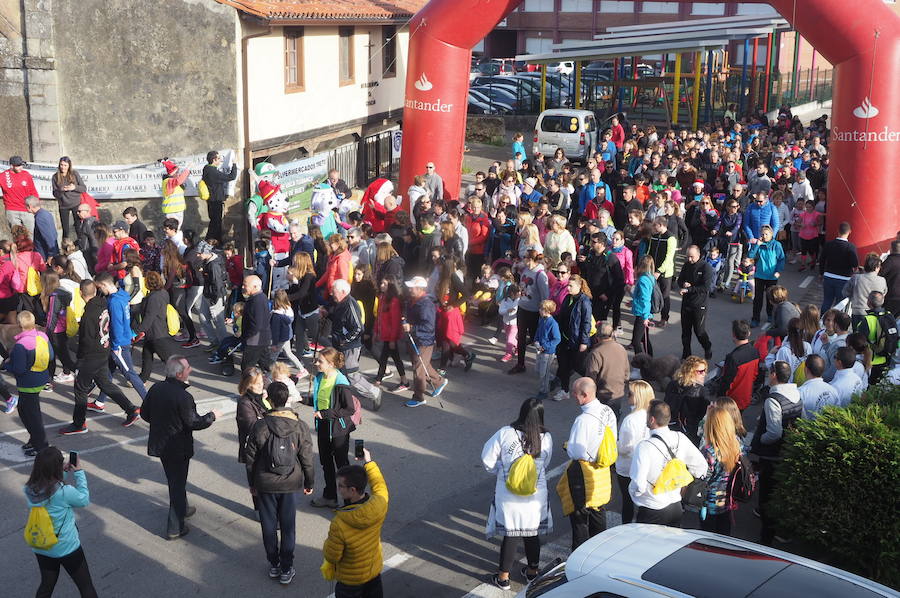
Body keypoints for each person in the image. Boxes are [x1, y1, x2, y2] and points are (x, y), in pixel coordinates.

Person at [140, 355, 220, 540]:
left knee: (174, 480)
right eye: (187, 368)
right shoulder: (183, 396)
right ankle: (175, 526)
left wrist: (162, 423)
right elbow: (194, 422)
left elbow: (145, 413)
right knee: (177, 484)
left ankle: (182, 507)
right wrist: (212, 416)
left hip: (161, 445)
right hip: (177, 447)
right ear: (179, 374)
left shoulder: (156, 388)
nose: (190, 370)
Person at [244, 381, 315, 585]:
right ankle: (287, 567)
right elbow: (307, 458)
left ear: (269, 400)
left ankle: (274, 563)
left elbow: (251, 459)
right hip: (291, 482)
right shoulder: (299, 425)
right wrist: (309, 481)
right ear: (287, 399)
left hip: (265, 483)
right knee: (288, 526)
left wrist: (252, 483)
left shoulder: (260, 425)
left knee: (268, 525)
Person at [481, 398, 553, 590]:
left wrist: (502, 470)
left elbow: (487, 460)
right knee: (532, 533)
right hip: (535, 495)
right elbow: (545, 463)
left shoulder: (505, 433)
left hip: (509, 494)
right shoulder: (546, 438)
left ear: (521, 413)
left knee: (511, 534)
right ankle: (532, 572)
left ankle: (503, 577)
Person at [59, 280, 140, 435]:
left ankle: (79, 424)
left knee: (81, 389)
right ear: (95, 292)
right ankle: (131, 409)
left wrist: (79, 362)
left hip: (91, 356)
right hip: (103, 350)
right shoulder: (102, 304)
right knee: (105, 383)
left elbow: (85, 342)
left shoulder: (88, 315)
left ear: (81, 293)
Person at [24, 447, 98, 598]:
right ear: (56, 467)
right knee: (85, 586)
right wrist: (79, 472)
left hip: (42, 545)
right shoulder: (64, 492)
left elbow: (48, 489)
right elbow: (83, 499)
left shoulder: (29, 489)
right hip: (66, 547)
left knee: (46, 585)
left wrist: (61, 473)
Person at [556, 377, 617, 550]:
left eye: (575, 393)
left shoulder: (583, 420)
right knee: (598, 510)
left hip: (584, 472)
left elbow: (576, 452)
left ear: (584, 394)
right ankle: (598, 551)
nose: (574, 396)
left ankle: (579, 556)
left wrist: (568, 445)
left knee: (579, 517)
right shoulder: (607, 410)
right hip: (602, 469)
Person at [321, 448, 389, 598]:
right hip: (373, 573)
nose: (338, 490)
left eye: (340, 486)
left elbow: (332, 556)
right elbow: (380, 486)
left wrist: (327, 544)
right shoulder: (379, 504)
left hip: (350, 582)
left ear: (352, 490)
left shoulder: (340, 523)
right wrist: (369, 462)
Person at [749, 361, 803, 545]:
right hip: (787, 451)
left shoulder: (773, 400)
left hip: (771, 455)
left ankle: (766, 539)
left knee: (766, 496)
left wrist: (759, 440)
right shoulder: (797, 394)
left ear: (773, 375)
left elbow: (774, 432)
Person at [629, 400, 706, 527]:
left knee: (645, 546)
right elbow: (701, 466)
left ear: (652, 419)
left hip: (652, 508)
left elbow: (639, 485)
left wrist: (635, 495)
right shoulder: (680, 437)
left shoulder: (644, 446)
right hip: (675, 507)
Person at [323, 278, 382, 410]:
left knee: (351, 375)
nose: (332, 294)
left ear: (343, 292)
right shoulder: (340, 303)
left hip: (349, 347)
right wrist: (328, 315)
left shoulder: (350, 304)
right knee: (338, 372)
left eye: (334, 292)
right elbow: (341, 322)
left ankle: (374, 392)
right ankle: (339, 399)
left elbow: (358, 328)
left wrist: (345, 340)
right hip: (340, 345)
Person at [91, 273, 147, 410]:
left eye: (100, 288)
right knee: (108, 373)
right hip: (124, 338)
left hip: (119, 344)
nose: (100, 291)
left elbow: (116, 325)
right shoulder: (122, 295)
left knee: (130, 374)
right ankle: (99, 402)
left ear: (104, 285)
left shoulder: (114, 302)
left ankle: (149, 402)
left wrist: (115, 346)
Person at [5, 311, 52, 456]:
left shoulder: (21, 345)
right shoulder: (42, 336)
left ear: (19, 325)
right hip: (40, 378)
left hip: (28, 384)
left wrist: (7, 365)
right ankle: (35, 440)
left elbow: (18, 369)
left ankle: (41, 446)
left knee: (30, 415)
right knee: (28, 411)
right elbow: (51, 355)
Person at [694, 404, 743, 535]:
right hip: (729, 499)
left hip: (710, 504)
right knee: (724, 534)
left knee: (708, 537)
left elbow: (703, 478)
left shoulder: (709, 451)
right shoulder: (737, 444)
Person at [403, 276, 447, 407]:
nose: (410, 289)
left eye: (413, 287)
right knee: (423, 365)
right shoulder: (413, 300)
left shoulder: (426, 304)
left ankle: (418, 397)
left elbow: (428, 326)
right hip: (415, 338)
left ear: (420, 289)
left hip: (424, 341)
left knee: (418, 369)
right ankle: (438, 381)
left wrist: (411, 327)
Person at [615, 380, 652, 525]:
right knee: (644, 500)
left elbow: (625, 447)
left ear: (637, 397)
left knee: (627, 500)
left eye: (629, 393)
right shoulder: (651, 415)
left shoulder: (630, 419)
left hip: (627, 466)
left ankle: (626, 526)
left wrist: (614, 444)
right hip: (646, 464)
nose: (626, 395)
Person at [236, 367, 270, 515]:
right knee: (256, 480)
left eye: (261, 382)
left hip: (267, 445)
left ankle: (267, 507)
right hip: (253, 449)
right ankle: (259, 510)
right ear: (249, 385)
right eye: (257, 384)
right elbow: (252, 427)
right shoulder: (244, 403)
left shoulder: (263, 396)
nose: (261, 385)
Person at [509, 250, 549, 374]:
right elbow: (522, 285)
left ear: (530, 259)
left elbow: (545, 296)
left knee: (535, 338)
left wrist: (543, 314)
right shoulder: (525, 270)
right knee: (520, 337)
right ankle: (520, 364)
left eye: (524, 258)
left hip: (534, 311)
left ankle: (543, 363)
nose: (523, 260)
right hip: (523, 307)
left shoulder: (540, 275)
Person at [136, 271, 181, 382]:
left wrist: (137, 331)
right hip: (159, 331)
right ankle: (142, 378)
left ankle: (173, 381)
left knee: (168, 360)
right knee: (147, 356)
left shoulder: (153, 298)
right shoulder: (163, 292)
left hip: (156, 334)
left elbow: (149, 317)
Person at [553, 274, 592, 401]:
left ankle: (594, 382)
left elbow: (586, 323)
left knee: (578, 366)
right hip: (564, 338)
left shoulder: (584, 301)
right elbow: (562, 315)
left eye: (571, 286)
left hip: (576, 340)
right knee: (563, 365)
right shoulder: (568, 298)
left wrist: (584, 342)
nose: (568, 288)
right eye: (568, 285)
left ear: (579, 286)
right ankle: (565, 391)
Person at [664, 356, 712, 445]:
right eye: (701, 371)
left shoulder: (672, 384)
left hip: (672, 427)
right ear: (690, 372)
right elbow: (705, 415)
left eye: (705, 370)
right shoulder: (702, 391)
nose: (704, 374)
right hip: (692, 433)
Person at [677, 245, 714, 359]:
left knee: (699, 331)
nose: (689, 259)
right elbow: (680, 280)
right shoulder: (687, 265)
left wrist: (690, 288)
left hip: (699, 305)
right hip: (686, 304)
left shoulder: (705, 267)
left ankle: (707, 347)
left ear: (698, 255)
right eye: (688, 257)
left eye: (692, 257)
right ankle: (686, 354)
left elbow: (706, 287)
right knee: (685, 332)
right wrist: (683, 284)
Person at [374, 277, 409, 390]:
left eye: (384, 283)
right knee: (391, 357)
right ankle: (402, 380)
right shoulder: (382, 297)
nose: (381, 285)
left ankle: (380, 379)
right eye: (381, 283)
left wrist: (393, 339)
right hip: (385, 334)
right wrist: (376, 331)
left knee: (389, 357)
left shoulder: (393, 301)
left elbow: (395, 322)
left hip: (390, 335)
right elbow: (378, 317)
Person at [584, 322, 629, 410]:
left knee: (600, 421)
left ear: (597, 337)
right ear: (612, 334)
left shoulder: (596, 353)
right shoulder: (621, 348)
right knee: (612, 421)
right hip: (618, 394)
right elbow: (626, 374)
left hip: (602, 396)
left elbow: (591, 378)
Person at [717, 320, 760, 410]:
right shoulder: (755, 351)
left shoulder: (733, 357)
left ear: (733, 335)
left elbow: (727, 382)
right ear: (748, 333)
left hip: (732, 401)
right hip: (746, 396)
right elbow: (755, 374)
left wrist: (719, 399)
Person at [747, 225, 785, 328]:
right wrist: (757, 245)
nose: (764, 236)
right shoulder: (759, 245)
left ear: (771, 234)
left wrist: (778, 271)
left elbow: (781, 259)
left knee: (771, 298)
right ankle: (755, 318)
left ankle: (770, 315)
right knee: (758, 298)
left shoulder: (776, 245)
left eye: (766, 234)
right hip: (759, 275)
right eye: (762, 234)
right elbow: (750, 256)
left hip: (772, 276)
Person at [856, 291, 896, 384]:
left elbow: (860, 342)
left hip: (870, 362)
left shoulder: (867, 320)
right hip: (886, 359)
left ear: (868, 302)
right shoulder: (889, 315)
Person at [643, 216, 676, 327]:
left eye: (655, 225)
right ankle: (649, 314)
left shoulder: (670, 238)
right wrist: (647, 266)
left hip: (665, 273)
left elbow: (669, 257)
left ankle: (664, 318)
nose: (653, 227)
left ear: (661, 225)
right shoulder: (654, 236)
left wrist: (659, 271)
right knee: (651, 294)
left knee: (665, 296)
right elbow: (649, 252)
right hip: (652, 270)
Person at [819, 222, 859, 312]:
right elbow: (855, 263)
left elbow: (822, 260)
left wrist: (821, 273)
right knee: (839, 304)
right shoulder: (850, 247)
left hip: (828, 276)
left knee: (827, 301)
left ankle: (822, 321)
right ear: (850, 232)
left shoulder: (829, 244)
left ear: (838, 231)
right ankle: (836, 324)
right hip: (844, 278)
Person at [240, 274, 274, 374]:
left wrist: (246, 337)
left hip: (255, 341)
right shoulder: (258, 297)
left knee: (247, 368)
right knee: (266, 364)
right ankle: (278, 379)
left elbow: (257, 325)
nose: (243, 287)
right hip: (261, 339)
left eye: (245, 285)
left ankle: (248, 386)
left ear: (255, 287)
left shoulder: (257, 301)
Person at [201, 150, 238, 242]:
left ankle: (216, 241)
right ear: (214, 160)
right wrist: (234, 164)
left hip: (211, 200)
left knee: (214, 222)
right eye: (219, 159)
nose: (220, 161)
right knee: (215, 223)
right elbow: (231, 177)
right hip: (216, 200)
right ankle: (209, 241)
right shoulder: (213, 172)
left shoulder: (206, 168)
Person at [844, 253, 887, 329]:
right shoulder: (882, 280)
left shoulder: (856, 278)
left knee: (857, 336)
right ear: (877, 267)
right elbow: (883, 294)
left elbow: (845, 292)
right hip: (875, 313)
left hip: (858, 311)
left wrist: (853, 297)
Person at [51, 157, 87, 241]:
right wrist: (61, 190)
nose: (63, 167)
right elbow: (55, 194)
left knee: (78, 227)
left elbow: (83, 188)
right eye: (61, 165)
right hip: (63, 205)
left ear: (69, 166)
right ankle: (65, 249)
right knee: (65, 230)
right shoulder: (55, 177)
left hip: (76, 204)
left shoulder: (74, 174)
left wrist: (74, 187)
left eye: (65, 165)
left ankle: (82, 247)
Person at [1, 155, 39, 235]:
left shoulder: (26, 175)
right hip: (12, 210)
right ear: (11, 166)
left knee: (32, 234)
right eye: (18, 166)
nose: (21, 167)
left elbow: (33, 191)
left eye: (21, 165)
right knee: (17, 236)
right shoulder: (3, 176)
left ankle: (33, 248)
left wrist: (36, 205)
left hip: (27, 209)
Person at [533, 299, 561, 401]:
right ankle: (554, 379)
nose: (539, 310)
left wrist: (545, 346)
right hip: (540, 349)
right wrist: (536, 340)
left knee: (543, 373)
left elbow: (557, 338)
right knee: (538, 370)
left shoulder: (553, 324)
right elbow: (538, 331)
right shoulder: (542, 319)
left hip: (548, 352)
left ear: (548, 310)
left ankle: (543, 391)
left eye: (542, 309)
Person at [159, 160, 189, 229]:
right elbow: (179, 180)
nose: (178, 174)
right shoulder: (168, 181)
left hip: (178, 210)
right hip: (171, 211)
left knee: (176, 230)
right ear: (173, 173)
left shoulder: (173, 181)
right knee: (171, 230)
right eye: (177, 172)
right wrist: (187, 169)